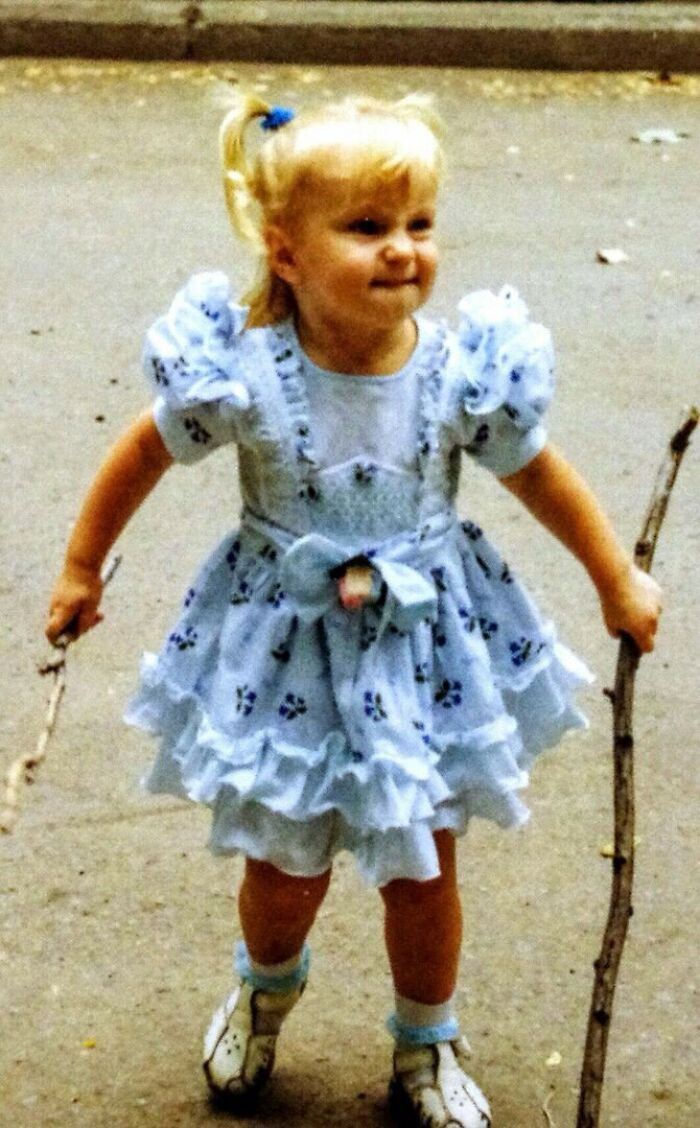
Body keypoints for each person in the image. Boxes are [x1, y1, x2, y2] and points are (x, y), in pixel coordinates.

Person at [46, 92, 661, 1127]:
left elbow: (537, 474)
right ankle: (264, 989)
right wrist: (79, 567)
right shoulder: (238, 370)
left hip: (420, 655)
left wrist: (613, 578)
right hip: (285, 656)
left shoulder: (464, 368)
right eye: (367, 228)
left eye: (419, 225)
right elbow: (142, 452)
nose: (403, 251)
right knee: (285, 870)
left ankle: (425, 1042)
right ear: (285, 254)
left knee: (422, 869)